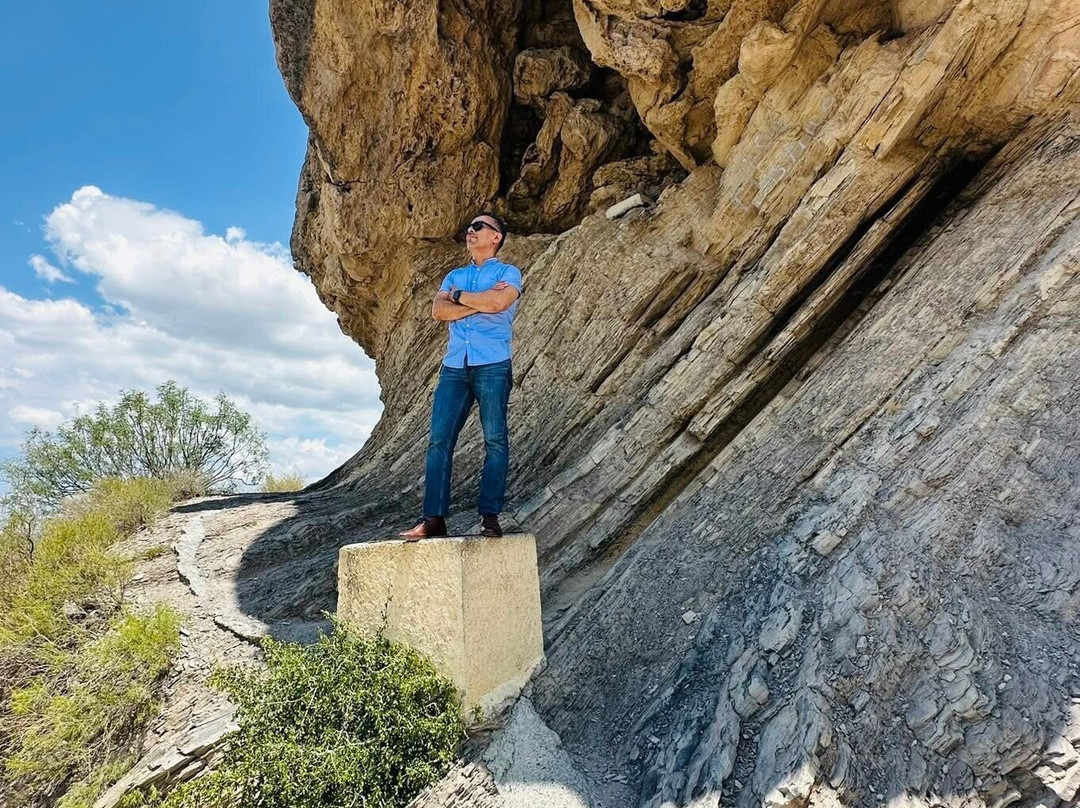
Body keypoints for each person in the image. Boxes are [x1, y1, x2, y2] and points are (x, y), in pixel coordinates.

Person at [399, 212, 523, 540]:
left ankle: (489, 516)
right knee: (439, 441)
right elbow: (438, 311)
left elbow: (499, 303)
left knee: (495, 439)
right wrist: (476, 303)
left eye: (479, 227)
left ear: (496, 236)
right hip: (454, 366)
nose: (471, 231)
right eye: (469, 227)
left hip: (493, 364)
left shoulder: (509, 272)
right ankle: (433, 520)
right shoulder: (455, 274)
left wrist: (458, 298)